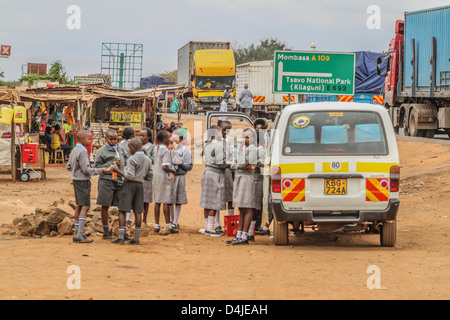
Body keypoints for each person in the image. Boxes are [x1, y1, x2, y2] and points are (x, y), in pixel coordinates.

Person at [66, 130, 109, 243]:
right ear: (81, 139)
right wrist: (101, 170)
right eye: (88, 138)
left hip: (75, 180)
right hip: (83, 181)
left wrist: (76, 171)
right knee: (85, 206)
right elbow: (86, 170)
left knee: (79, 206)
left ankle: (77, 232)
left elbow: (69, 166)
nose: (89, 141)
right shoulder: (83, 151)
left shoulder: (74, 150)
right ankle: (80, 234)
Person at [111, 138, 152, 245]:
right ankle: (136, 238)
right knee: (138, 211)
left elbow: (129, 176)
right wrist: (141, 176)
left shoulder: (132, 159)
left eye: (130, 148)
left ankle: (121, 237)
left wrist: (117, 171)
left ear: (134, 147)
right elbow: (150, 176)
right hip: (140, 185)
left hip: (129, 185)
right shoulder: (147, 159)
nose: (129, 150)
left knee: (122, 210)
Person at [227, 128, 257, 245]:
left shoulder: (252, 149)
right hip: (240, 178)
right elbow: (239, 164)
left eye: (247, 137)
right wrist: (238, 165)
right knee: (241, 207)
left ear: (252, 139)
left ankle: (244, 236)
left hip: (246, 179)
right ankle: (239, 234)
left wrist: (237, 165)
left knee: (247, 206)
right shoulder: (245, 149)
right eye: (244, 136)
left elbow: (246, 165)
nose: (244, 139)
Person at [94, 129, 124, 240]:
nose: (113, 141)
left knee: (122, 205)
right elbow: (97, 167)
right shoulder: (101, 151)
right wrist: (111, 164)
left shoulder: (121, 149)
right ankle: (106, 231)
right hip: (106, 180)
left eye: (115, 139)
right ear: (106, 139)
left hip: (119, 181)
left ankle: (122, 230)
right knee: (105, 205)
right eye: (111, 139)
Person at [200, 125, 227, 236]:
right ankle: (210, 229)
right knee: (214, 201)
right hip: (215, 174)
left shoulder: (207, 145)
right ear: (216, 133)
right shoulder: (218, 146)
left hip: (207, 172)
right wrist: (230, 164)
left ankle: (207, 227)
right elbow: (221, 163)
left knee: (207, 201)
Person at [153, 130, 178, 235]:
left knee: (157, 200)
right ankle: (168, 225)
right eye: (168, 138)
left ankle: (156, 225)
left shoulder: (156, 148)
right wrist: (173, 171)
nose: (170, 139)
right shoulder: (166, 151)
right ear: (164, 139)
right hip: (163, 177)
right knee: (166, 201)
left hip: (156, 176)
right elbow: (165, 166)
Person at [170, 131, 193, 229]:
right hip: (171, 177)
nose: (175, 142)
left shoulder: (186, 152)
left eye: (176, 140)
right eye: (173, 140)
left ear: (181, 140)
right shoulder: (171, 151)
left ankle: (175, 221)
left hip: (180, 177)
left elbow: (189, 166)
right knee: (170, 199)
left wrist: (180, 163)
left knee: (178, 200)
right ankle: (171, 220)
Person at [249, 130, 267, 240]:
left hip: (257, 180)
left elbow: (261, 166)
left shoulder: (258, 150)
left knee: (253, 207)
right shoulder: (264, 150)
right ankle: (254, 230)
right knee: (257, 206)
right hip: (261, 180)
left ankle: (251, 232)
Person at [119, 127, 135, 226]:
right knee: (130, 196)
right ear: (132, 136)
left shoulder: (119, 145)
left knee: (121, 194)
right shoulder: (133, 145)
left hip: (121, 171)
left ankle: (118, 217)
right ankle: (128, 219)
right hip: (131, 172)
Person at [140, 127, 154, 227]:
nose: (141, 137)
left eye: (143, 136)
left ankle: (144, 219)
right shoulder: (136, 146)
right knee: (137, 198)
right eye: (140, 135)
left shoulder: (152, 147)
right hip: (137, 175)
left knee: (146, 199)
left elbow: (154, 160)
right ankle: (137, 218)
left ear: (148, 137)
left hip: (147, 176)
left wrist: (146, 153)